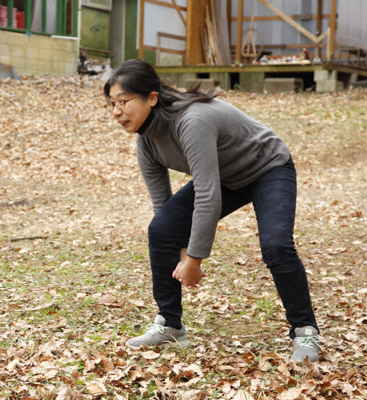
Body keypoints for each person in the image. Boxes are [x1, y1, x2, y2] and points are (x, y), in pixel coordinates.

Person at [103, 60, 321, 362]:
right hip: (227, 178)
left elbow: (207, 195)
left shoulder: (192, 121)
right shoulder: (147, 143)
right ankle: (170, 324)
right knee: (162, 228)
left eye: (123, 102)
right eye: (111, 104)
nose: (116, 112)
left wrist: (193, 259)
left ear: (151, 98)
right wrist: (181, 252)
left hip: (268, 168)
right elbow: (164, 211)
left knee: (276, 246)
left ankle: (305, 332)